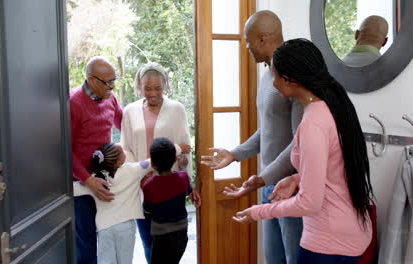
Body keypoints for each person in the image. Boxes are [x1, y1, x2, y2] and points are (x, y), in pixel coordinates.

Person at [233, 38, 373, 264]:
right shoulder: (332, 107)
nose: (273, 82)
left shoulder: (312, 124)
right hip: (349, 232)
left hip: (329, 242)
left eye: (276, 75)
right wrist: (297, 179)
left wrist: (259, 211)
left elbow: (309, 203)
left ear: (290, 79)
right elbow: (334, 167)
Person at [200, 10, 303, 264]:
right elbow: (267, 131)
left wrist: (264, 178)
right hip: (268, 183)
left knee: (295, 259)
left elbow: (299, 142)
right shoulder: (268, 75)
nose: (246, 47)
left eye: (247, 41)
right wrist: (235, 154)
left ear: (262, 39)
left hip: (291, 187)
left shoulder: (293, 77)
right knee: (272, 259)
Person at [121, 62, 201, 263]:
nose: (153, 93)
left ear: (165, 85)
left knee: (173, 245)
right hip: (141, 188)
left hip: (170, 188)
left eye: (158, 88)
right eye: (147, 88)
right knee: (150, 244)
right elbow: (126, 149)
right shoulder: (130, 111)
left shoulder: (176, 109)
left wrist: (190, 185)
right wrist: (139, 176)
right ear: (139, 86)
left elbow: (185, 149)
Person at [73, 142, 189, 264]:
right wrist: (179, 148)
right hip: (126, 228)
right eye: (122, 152)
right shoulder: (133, 170)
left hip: (104, 230)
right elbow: (153, 160)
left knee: (106, 261)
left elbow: (73, 190)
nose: (125, 153)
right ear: (118, 162)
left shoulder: (94, 181)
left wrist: (87, 181)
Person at [70, 56, 123, 264]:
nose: (112, 86)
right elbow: (65, 150)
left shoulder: (111, 97)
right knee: (86, 246)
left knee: (109, 240)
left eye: (114, 80)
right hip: (81, 184)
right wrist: (88, 180)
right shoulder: (74, 103)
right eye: (108, 81)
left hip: (105, 177)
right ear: (92, 80)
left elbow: (124, 125)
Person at [142, 137, 192, 264]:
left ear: (152, 163)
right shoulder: (183, 177)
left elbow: (147, 210)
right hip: (181, 235)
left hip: (161, 238)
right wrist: (183, 168)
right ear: (175, 159)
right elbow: (188, 189)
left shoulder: (149, 185)